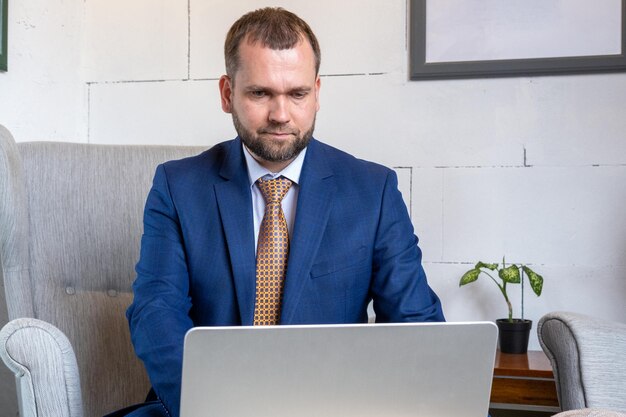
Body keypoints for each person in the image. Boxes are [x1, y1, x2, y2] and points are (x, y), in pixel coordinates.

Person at [117, 7, 444, 417]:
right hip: (206, 406)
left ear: (318, 93)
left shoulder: (372, 191)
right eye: (260, 93)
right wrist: (219, 407)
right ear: (226, 93)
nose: (281, 114)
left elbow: (418, 328)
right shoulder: (177, 187)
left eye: (297, 93)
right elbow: (155, 314)